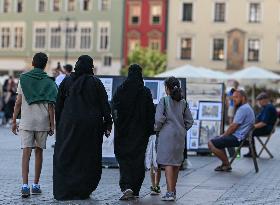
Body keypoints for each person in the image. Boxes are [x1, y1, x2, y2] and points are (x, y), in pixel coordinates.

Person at [53, 55, 112, 200]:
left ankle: (66, 189)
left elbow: (58, 105)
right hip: (91, 127)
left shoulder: (67, 81)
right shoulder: (96, 83)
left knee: (67, 155)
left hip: (69, 124)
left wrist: (60, 124)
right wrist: (108, 123)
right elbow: (105, 105)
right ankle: (83, 189)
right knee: (87, 157)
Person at [11, 52, 57, 198]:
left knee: (26, 152)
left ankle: (25, 186)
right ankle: (35, 185)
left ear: (33, 63)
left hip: (27, 121)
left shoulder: (24, 79)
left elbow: (18, 102)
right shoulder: (49, 81)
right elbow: (51, 106)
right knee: (39, 152)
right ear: (45, 65)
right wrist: (52, 124)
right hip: (43, 122)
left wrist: (13, 120)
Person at [112, 64, 155, 200]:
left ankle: (126, 186)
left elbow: (114, 108)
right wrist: (150, 130)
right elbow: (150, 113)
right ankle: (135, 189)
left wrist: (117, 124)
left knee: (124, 160)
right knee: (137, 160)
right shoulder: (145, 92)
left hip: (123, 133)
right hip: (140, 134)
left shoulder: (121, 90)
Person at [155, 77, 193, 201]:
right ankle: (173, 190)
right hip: (180, 136)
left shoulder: (164, 101)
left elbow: (159, 119)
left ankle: (170, 192)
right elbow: (189, 121)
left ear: (167, 88)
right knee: (176, 164)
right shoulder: (184, 102)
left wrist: (157, 128)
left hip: (167, 135)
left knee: (168, 164)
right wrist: (182, 129)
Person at [208, 90, 255, 172]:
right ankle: (225, 163)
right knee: (218, 140)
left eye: (236, 97)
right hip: (242, 137)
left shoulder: (243, 109)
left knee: (211, 143)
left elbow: (233, 126)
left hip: (239, 138)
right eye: (233, 98)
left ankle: (226, 164)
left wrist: (223, 135)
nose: (234, 100)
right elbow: (233, 126)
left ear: (243, 98)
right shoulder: (246, 107)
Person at [244, 92, 278, 157]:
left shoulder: (268, 108)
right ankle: (251, 152)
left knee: (248, 132)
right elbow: (258, 119)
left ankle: (252, 152)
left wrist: (251, 127)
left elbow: (263, 123)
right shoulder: (265, 107)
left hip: (267, 129)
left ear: (265, 100)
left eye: (259, 100)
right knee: (246, 131)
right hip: (265, 128)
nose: (259, 102)